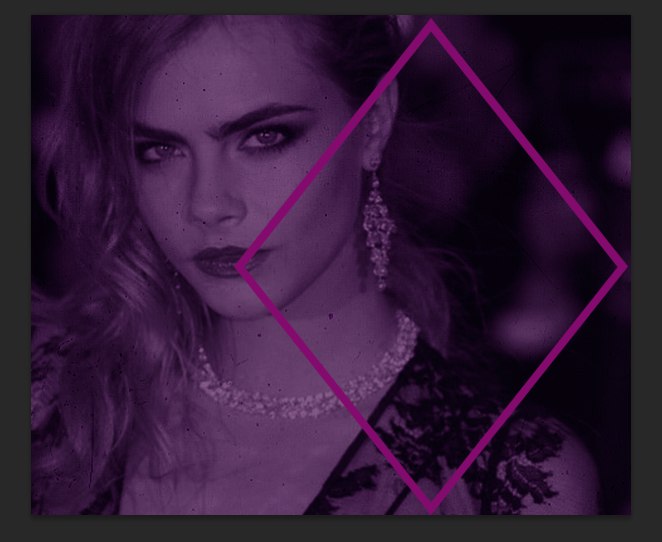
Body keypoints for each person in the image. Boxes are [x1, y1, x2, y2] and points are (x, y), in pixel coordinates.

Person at [31, 15, 599, 515]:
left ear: (372, 123)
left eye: (263, 137)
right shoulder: (54, 404)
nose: (206, 204)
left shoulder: (516, 484)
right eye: (160, 150)